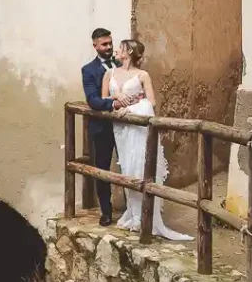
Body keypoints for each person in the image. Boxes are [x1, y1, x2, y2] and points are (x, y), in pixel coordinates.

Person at [103, 39, 192, 241]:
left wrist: (132, 107)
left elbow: (151, 101)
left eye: (121, 48)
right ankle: (134, 214)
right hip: (120, 126)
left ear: (129, 52)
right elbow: (103, 98)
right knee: (126, 166)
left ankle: (145, 217)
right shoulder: (110, 74)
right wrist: (116, 100)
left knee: (139, 165)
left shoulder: (143, 75)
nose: (117, 50)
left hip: (136, 122)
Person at [81, 28, 139, 226]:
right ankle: (106, 212)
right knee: (102, 169)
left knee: (129, 165)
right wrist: (113, 104)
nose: (108, 47)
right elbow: (93, 100)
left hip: (125, 126)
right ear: (95, 46)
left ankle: (132, 211)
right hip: (102, 128)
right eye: (104, 44)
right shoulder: (88, 70)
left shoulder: (122, 63)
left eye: (110, 43)